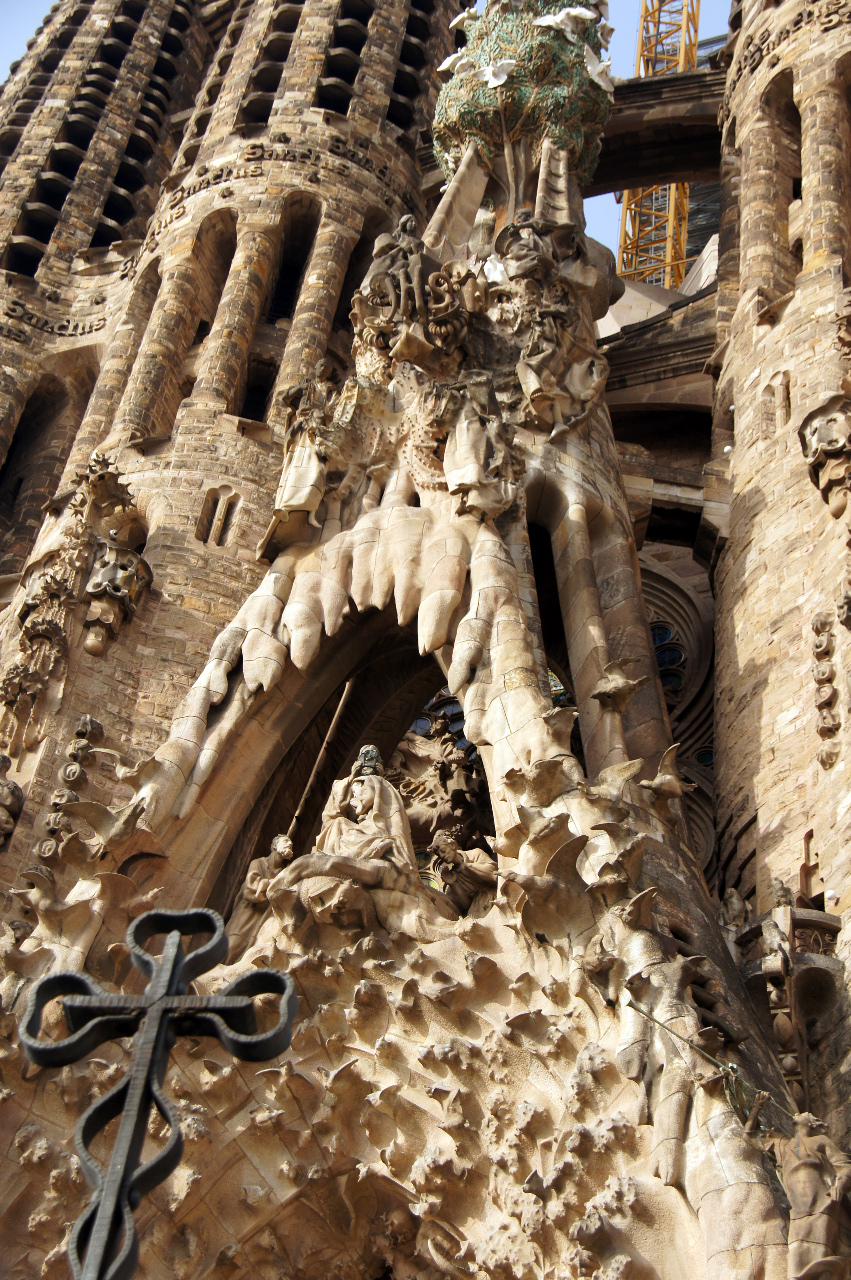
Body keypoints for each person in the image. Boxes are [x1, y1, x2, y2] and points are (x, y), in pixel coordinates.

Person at [225, 833, 294, 962]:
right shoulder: (258, 863)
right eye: (285, 841)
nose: (289, 844)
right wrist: (271, 884)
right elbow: (252, 885)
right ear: (274, 845)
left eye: (291, 844)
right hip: (248, 910)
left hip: (265, 915)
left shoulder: (283, 872)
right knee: (233, 944)